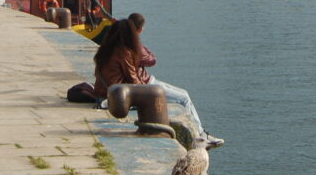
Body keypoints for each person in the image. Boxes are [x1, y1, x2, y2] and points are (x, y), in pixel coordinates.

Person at [93, 13, 223, 146]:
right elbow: (134, 81)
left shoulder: (105, 51)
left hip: (105, 93)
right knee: (183, 97)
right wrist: (151, 90)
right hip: (118, 97)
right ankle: (201, 135)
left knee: (182, 94)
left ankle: (201, 135)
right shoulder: (123, 52)